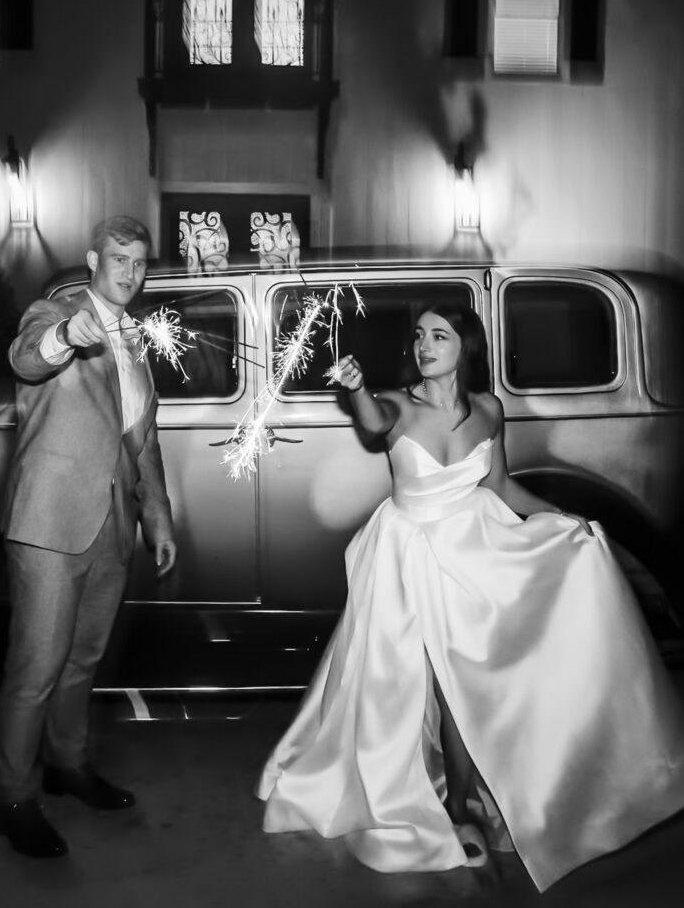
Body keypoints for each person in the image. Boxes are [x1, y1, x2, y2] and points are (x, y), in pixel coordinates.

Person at [256, 302, 684, 892]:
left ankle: (469, 793)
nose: (424, 346)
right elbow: (375, 423)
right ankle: (457, 803)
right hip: (409, 554)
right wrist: (355, 388)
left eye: (439, 336)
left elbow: (501, 485)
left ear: (467, 346)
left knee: (473, 673)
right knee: (423, 677)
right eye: (419, 336)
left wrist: (567, 520)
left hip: (476, 548)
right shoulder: (401, 405)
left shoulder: (489, 410)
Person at [0, 215, 176, 858]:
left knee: (82, 662)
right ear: (94, 258)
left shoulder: (139, 340)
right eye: (119, 259)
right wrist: (68, 336)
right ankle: (14, 799)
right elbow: (26, 356)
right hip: (49, 521)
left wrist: (157, 516)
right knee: (35, 667)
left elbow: (143, 438)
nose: (129, 273)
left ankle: (66, 767)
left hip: (111, 525)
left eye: (139, 263)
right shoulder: (56, 310)